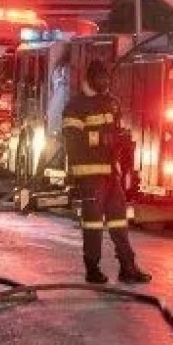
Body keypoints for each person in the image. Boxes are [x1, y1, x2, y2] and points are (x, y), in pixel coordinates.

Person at [61, 60, 150, 285]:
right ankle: (92, 269)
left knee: (119, 221)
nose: (105, 82)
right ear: (90, 79)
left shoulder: (112, 103)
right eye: (101, 78)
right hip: (90, 175)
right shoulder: (75, 106)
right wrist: (102, 139)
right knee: (93, 224)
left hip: (111, 174)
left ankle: (128, 267)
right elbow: (72, 141)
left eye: (107, 78)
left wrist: (121, 141)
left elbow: (115, 133)